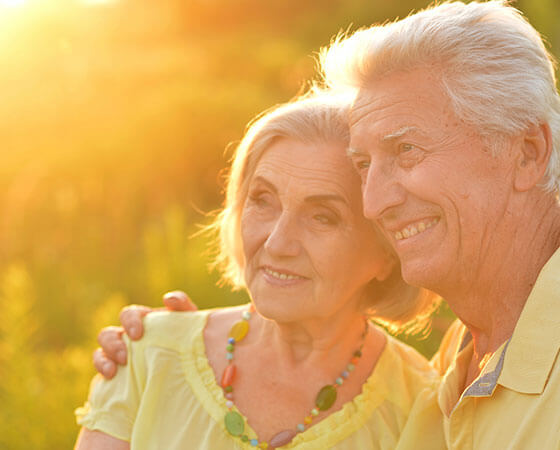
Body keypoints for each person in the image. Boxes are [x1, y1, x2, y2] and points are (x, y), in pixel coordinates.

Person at [75, 93, 444, 449]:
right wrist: (167, 341)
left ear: (387, 252)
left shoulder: (420, 408)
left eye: (322, 217)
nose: (276, 243)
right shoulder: (147, 356)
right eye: (262, 200)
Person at [319, 1, 560, 448]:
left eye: (407, 149)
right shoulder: (458, 354)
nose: (373, 203)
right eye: (363, 163)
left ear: (527, 152)